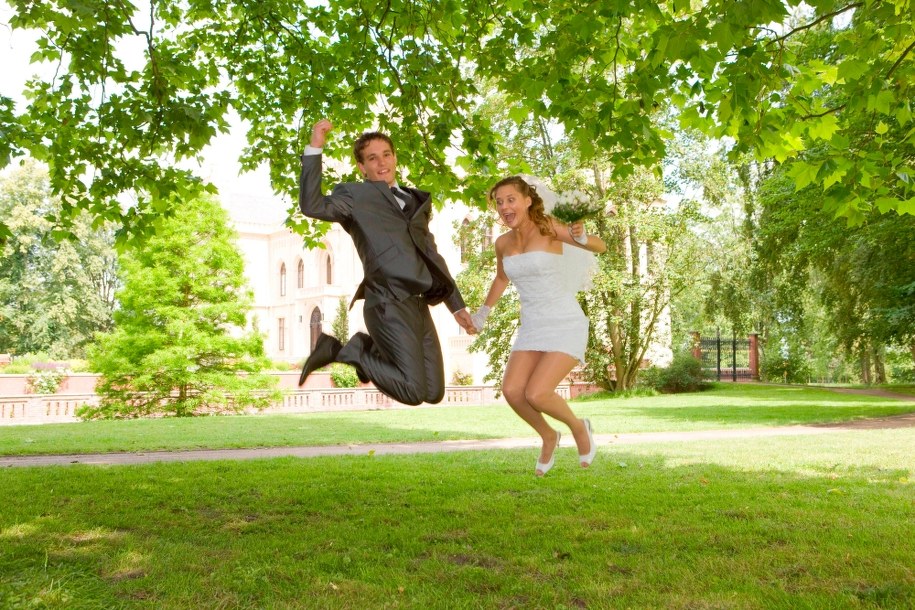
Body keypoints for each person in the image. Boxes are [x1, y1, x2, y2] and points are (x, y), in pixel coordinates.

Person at [297, 118, 477, 405]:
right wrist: (315, 148)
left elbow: (431, 255)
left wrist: (456, 305)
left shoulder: (415, 201)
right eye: (372, 158)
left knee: (433, 392)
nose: (381, 163)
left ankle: (365, 350)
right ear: (362, 167)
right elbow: (312, 205)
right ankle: (348, 350)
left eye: (386, 155)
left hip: (418, 303)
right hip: (387, 301)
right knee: (413, 392)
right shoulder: (355, 196)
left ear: (395, 158)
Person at [471, 176, 607, 476]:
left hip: (564, 321)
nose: (505, 207)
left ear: (527, 200)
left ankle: (578, 427)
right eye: (499, 202)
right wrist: (482, 314)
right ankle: (548, 435)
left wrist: (582, 236)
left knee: (537, 393)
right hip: (532, 325)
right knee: (512, 390)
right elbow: (502, 278)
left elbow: (601, 246)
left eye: (511, 199)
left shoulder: (548, 227)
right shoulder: (503, 243)